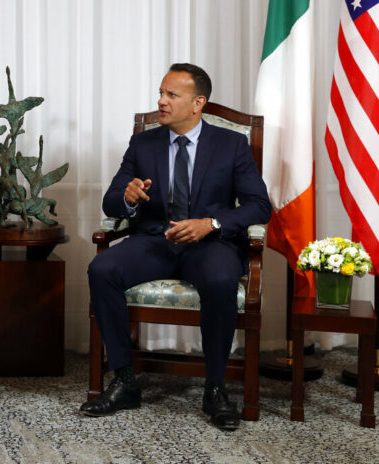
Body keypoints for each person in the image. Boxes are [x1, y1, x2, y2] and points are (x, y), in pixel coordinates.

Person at [80, 63, 271, 430]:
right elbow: (112, 201)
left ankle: (215, 388)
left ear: (198, 102)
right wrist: (129, 198)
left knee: (219, 281)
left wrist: (211, 224)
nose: (161, 101)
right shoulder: (143, 142)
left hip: (210, 244)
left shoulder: (231, 144)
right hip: (155, 241)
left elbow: (259, 204)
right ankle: (124, 381)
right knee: (101, 269)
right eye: (161, 93)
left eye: (172, 95)